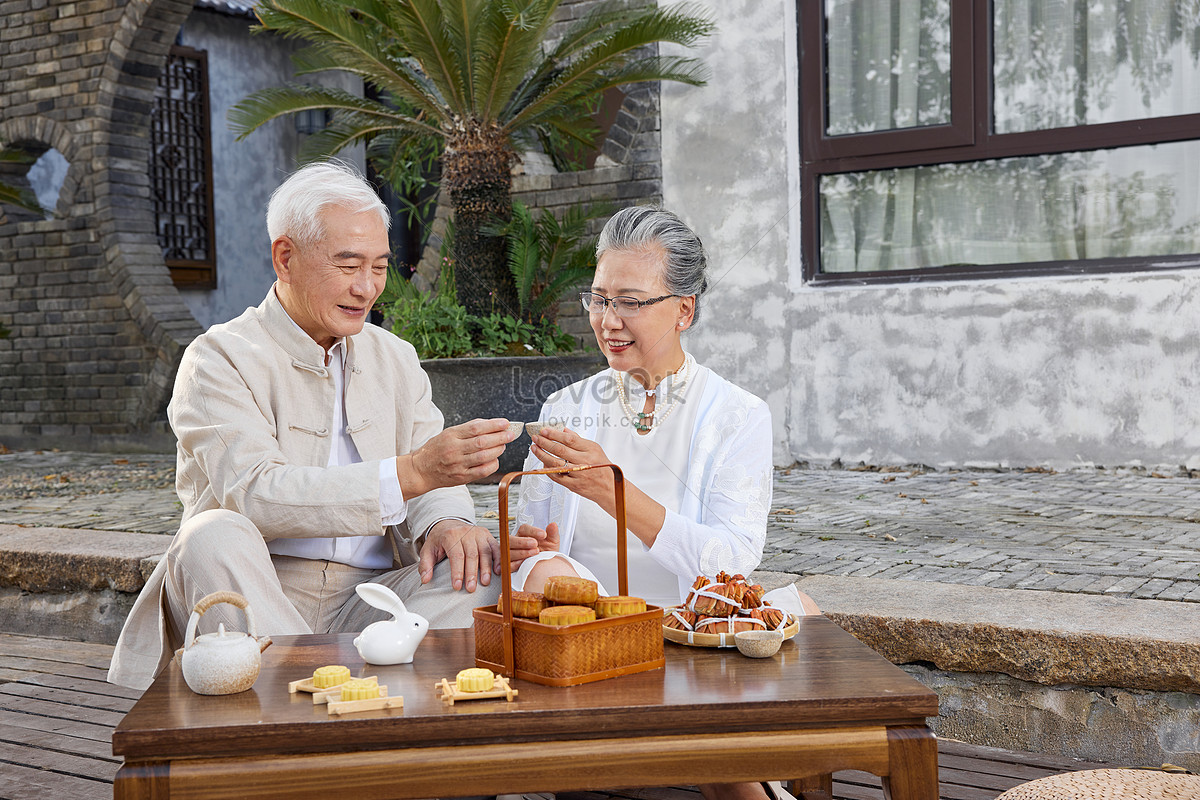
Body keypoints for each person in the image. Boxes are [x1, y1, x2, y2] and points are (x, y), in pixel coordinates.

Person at [108, 161, 512, 690]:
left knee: (481, 566)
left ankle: (329, 697)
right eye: (348, 266)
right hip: (260, 588)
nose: (367, 288)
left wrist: (446, 524)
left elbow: (435, 484)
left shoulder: (396, 357)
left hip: (376, 594)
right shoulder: (218, 358)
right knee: (210, 536)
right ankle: (325, 707)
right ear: (286, 257)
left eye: (379, 267)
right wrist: (412, 472)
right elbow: (254, 492)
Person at [507, 206, 818, 800]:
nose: (608, 320)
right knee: (545, 572)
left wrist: (614, 492)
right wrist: (522, 547)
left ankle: (731, 766)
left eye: (630, 301)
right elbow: (539, 548)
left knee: (803, 612)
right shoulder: (565, 408)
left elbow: (731, 563)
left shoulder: (735, 415)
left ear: (684, 309)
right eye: (598, 300)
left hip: (693, 626)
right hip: (592, 633)